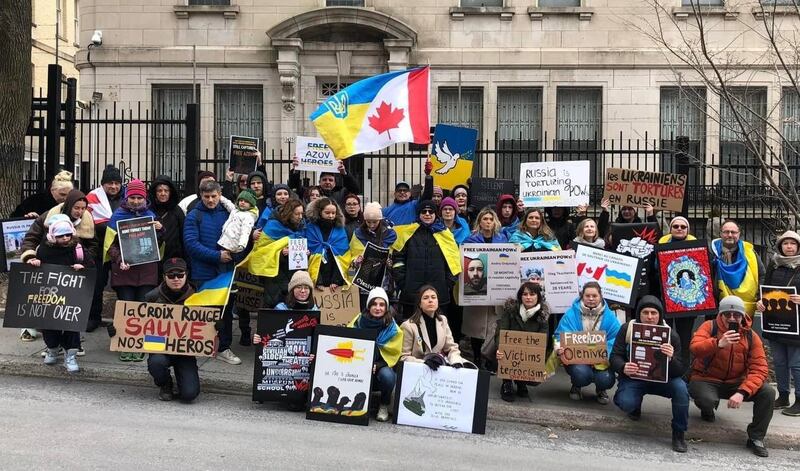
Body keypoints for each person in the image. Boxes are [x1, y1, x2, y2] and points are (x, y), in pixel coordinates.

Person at [688, 295, 774, 457]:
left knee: (768, 393)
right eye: (727, 314)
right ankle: (707, 409)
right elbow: (695, 348)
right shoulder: (709, 326)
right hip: (707, 379)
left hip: (736, 382)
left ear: (743, 316)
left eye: (737, 315)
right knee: (707, 400)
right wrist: (718, 343)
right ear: (721, 315)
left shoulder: (750, 335)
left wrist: (742, 392)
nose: (732, 318)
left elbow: (760, 368)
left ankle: (756, 437)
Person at [610, 295, 689, 453]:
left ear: (660, 315)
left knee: (681, 389)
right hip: (635, 378)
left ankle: (679, 433)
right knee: (625, 402)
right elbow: (614, 356)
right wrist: (623, 367)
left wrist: (671, 358)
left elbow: (680, 370)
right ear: (639, 314)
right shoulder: (627, 329)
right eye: (645, 312)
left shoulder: (671, 335)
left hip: (663, 381)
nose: (650, 317)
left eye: (654, 313)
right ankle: (635, 406)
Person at [184, 180, 241, 365]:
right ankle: (203, 344)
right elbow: (191, 244)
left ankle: (224, 347)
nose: (210, 200)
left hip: (226, 271)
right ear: (201, 195)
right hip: (204, 272)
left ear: (220, 195)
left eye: (214, 196)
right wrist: (217, 256)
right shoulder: (194, 216)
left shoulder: (229, 213)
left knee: (226, 311)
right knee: (206, 311)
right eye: (206, 196)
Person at [27, 214, 92, 373]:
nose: (65, 238)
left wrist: (83, 267)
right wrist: (35, 262)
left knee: (71, 327)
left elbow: (91, 265)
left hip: (72, 296)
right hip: (50, 295)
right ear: (52, 235)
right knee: (49, 325)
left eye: (68, 234)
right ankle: (52, 349)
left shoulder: (78, 249)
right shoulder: (43, 249)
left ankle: (71, 355)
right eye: (61, 235)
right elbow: (36, 271)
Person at [107, 179, 163, 362]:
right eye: (133, 197)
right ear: (126, 197)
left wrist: (160, 230)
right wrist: (119, 259)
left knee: (142, 308)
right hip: (124, 271)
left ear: (145, 198)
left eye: (140, 198)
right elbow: (109, 245)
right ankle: (125, 344)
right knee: (126, 308)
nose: (136, 201)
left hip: (146, 271)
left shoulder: (151, 216)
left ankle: (138, 344)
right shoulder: (117, 216)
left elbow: (159, 244)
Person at [253, 270, 319, 411]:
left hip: (302, 359)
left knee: (297, 405)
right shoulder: (280, 309)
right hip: (282, 357)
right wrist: (258, 338)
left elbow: (317, 336)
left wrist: (315, 351)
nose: (303, 291)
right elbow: (269, 333)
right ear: (292, 290)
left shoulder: (315, 310)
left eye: (306, 288)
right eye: (299, 287)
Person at [142, 258, 202, 402]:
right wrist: (118, 330)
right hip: (159, 346)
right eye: (171, 275)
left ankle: (184, 381)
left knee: (189, 395)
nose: (176, 279)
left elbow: (206, 326)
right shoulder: (152, 297)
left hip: (185, 351)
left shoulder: (198, 296)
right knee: (156, 362)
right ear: (164, 277)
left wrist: (216, 326)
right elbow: (139, 324)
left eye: (180, 275)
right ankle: (165, 384)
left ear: (186, 275)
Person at [755, 230, 800, 416]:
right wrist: (760, 301)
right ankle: (783, 396)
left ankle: (799, 400)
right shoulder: (773, 264)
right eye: (785, 243)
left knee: (796, 364)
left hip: (796, 325)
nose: (789, 247)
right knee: (780, 362)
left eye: (793, 243)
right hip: (774, 322)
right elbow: (765, 289)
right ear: (780, 246)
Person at [392, 200, 461, 319]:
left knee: (437, 327)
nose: (427, 214)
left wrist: (447, 284)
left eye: (431, 211)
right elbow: (398, 259)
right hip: (411, 294)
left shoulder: (445, 234)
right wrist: (403, 283)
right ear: (419, 214)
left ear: (436, 214)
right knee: (411, 328)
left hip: (439, 294)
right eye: (424, 211)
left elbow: (454, 262)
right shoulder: (408, 234)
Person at [554, 282, 621, 404]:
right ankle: (576, 385)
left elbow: (617, 339)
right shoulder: (570, 314)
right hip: (578, 361)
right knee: (580, 373)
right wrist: (559, 348)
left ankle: (601, 389)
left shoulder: (610, 317)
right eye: (587, 296)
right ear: (582, 296)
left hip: (601, 362)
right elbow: (559, 335)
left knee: (606, 379)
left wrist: (603, 353)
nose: (591, 299)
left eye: (594, 296)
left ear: (600, 296)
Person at [348, 287, 403, 422]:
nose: (378, 308)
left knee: (388, 376)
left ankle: (384, 405)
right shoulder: (358, 321)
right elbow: (347, 341)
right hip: (357, 362)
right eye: (374, 304)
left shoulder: (393, 329)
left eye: (382, 305)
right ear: (369, 306)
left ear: (386, 307)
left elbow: (394, 355)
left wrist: (377, 365)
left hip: (379, 367)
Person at [495, 282, 550, 402]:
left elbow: (543, 340)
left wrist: (540, 359)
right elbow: (500, 332)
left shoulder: (543, 316)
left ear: (538, 297)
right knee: (502, 355)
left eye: (532, 294)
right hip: (508, 353)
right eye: (525, 294)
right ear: (520, 296)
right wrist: (500, 349)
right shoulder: (510, 311)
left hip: (529, 355)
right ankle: (506, 383)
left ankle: (521, 382)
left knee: (535, 378)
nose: (528, 297)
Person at [657, 216, 701, 365]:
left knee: (685, 336)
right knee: (665, 334)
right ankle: (664, 366)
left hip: (688, 300)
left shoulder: (697, 247)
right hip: (667, 298)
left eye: (683, 227)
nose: (679, 229)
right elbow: (656, 268)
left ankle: (684, 367)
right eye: (676, 226)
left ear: (688, 230)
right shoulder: (661, 245)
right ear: (670, 229)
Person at [86, 165, 124, 332]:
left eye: (117, 183)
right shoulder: (92, 198)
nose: (114, 186)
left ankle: (124, 320)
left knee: (123, 286)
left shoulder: (127, 198)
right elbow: (87, 221)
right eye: (110, 183)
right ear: (103, 184)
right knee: (96, 285)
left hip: (121, 250)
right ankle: (93, 317)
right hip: (99, 249)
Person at [400, 285, 473, 368]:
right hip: (418, 369)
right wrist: (424, 363)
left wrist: (455, 361)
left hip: (440, 367)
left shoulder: (443, 320)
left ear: (438, 302)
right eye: (426, 298)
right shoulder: (408, 326)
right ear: (420, 304)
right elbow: (404, 357)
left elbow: (451, 348)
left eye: (433, 297)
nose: (430, 300)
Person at [349, 202, 397, 307]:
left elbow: (396, 253)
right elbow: (353, 253)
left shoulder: (390, 234)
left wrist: (390, 262)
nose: (371, 225)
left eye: (375, 222)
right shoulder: (358, 233)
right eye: (368, 222)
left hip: (384, 280)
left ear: (380, 220)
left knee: (381, 308)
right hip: (365, 279)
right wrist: (357, 260)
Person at [710, 220, 763, 316]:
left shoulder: (750, 252)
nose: (730, 235)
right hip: (716, 307)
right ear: (720, 234)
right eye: (726, 232)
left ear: (739, 234)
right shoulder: (711, 253)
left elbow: (762, 274)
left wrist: (760, 296)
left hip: (743, 308)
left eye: (733, 232)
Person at [304, 197, 350, 290]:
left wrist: (336, 281)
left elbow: (343, 257)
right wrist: (318, 281)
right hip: (316, 279)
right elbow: (309, 257)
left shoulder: (340, 230)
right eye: (327, 213)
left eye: (333, 213)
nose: (331, 216)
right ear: (319, 212)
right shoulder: (310, 228)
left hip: (334, 279)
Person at [289, 159, 359, 207]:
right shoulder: (310, 191)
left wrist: (345, 174)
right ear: (319, 182)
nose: (327, 182)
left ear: (335, 183)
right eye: (324, 180)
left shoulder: (341, 193)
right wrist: (296, 171)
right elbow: (294, 186)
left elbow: (355, 190)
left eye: (330, 180)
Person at [383, 161, 433, 227]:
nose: (402, 192)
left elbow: (427, 196)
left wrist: (428, 176)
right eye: (399, 190)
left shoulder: (415, 205)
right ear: (394, 194)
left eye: (405, 190)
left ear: (409, 193)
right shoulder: (386, 211)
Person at [148, 175, 185, 262]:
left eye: (166, 190)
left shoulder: (177, 211)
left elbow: (183, 234)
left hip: (174, 258)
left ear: (170, 192)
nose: (163, 193)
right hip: (152, 257)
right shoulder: (149, 210)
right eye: (159, 191)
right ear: (155, 192)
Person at [217, 190, 259, 254]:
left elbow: (246, 231)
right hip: (226, 241)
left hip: (235, 245)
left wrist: (242, 244)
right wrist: (220, 197)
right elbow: (228, 204)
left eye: (246, 201)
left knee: (229, 258)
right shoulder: (235, 210)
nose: (242, 202)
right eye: (241, 200)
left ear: (251, 204)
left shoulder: (248, 217)